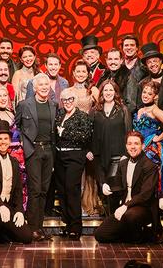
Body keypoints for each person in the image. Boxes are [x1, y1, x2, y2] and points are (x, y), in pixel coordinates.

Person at [95, 131, 159, 243]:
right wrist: (105, 185)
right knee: (100, 234)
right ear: (126, 146)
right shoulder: (123, 163)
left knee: (130, 216)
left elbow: (145, 195)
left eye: (136, 143)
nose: (132, 147)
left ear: (143, 146)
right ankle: (131, 236)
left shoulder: (150, 166)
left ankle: (143, 235)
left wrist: (126, 205)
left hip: (143, 208)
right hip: (125, 208)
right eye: (129, 144)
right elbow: (117, 186)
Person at [15, 73, 56, 241]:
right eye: (41, 85)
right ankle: (32, 228)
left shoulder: (54, 105)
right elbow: (17, 126)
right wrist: (24, 146)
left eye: (47, 84)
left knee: (44, 191)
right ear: (35, 87)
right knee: (35, 190)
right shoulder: (24, 105)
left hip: (49, 151)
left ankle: (40, 227)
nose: (45, 87)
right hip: (33, 151)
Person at [0, 120, 33, 243]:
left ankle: (4, 233)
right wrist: (0, 206)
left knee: (26, 236)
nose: (3, 142)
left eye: (5, 138)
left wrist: (19, 210)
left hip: (8, 206)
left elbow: (18, 189)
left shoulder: (14, 161)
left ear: (9, 140)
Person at [54, 88, 93, 240]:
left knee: (72, 189)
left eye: (70, 99)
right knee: (62, 191)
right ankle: (67, 223)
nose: (68, 102)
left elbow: (85, 136)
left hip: (75, 156)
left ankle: (76, 226)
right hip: (59, 155)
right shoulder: (59, 114)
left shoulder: (82, 116)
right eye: (65, 100)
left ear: (75, 100)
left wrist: (64, 132)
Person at [90, 80, 132, 214]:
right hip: (99, 156)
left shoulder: (123, 110)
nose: (108, 93)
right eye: (105, 90)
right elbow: (89, 132)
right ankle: (108, 222)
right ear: (101, 92)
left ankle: (114, 221)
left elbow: (128, 132)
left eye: (111, 90)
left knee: (113, 190)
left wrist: (126, 154)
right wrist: (89, 150)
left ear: (115, 92)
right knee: (103, 190)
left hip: (117, 156)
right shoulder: (95, 111)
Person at [65, 59, 101, 215]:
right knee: (77, 172)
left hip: (91, 134)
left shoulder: (93, 91)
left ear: (88, 74)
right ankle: (76, 205)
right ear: (73, 73)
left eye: (83, 72)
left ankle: (89, 204)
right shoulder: (68, 91)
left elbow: (99, 111)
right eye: (78, 71)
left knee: (90, 171)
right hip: (73, 136)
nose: (80, 74)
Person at [132, 79, 163, 192]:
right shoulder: (141, 109)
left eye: (149, 93)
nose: (145, 95)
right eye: (144, 92)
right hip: (138, 146)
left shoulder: (155, 110)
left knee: (150, 177)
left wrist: (158, 138)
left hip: (151, 148)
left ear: (155, 96)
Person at [137, 42, 163, 115]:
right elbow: (140, 106)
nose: (153, 64)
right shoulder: (142, 83)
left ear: (160, 61)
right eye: (149, 62)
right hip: (148, 122)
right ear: (146, 65)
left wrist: (160, 119)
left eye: (155, 61)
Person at [121, 35, 147, 112]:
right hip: (121, 110)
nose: (129, 47)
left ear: (137, 48)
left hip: (139, 109)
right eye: (126, 45)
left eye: (132, 45)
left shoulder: (144, 67)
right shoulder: (118, 66)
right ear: (122, 48)